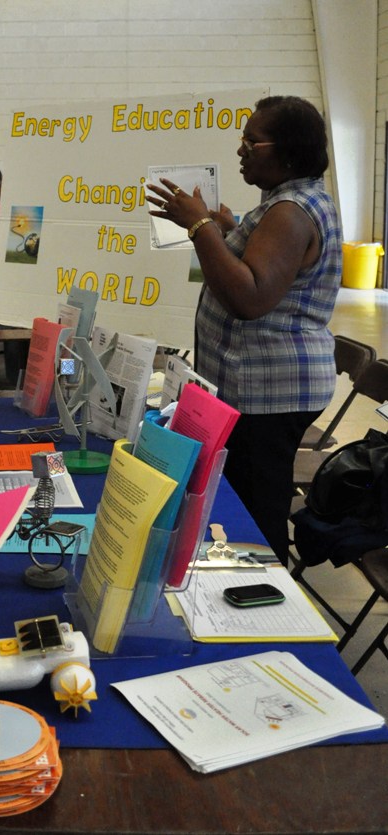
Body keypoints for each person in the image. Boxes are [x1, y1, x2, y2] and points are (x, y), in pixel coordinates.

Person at [147, 95, 342, 563]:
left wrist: (200, 229)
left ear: (288, 152)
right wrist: (231, 228)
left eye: (252, 142)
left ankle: (267, 603)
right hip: (259, 387)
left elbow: (250, 297)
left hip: (270, 393)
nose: (241, 150)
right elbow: (263, 266)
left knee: (258, 511)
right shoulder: (287, 202)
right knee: (250, 499)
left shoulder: (291, 211)